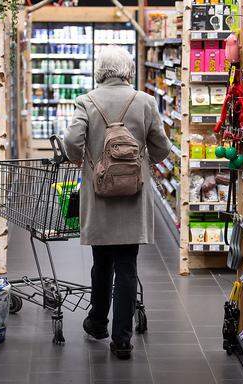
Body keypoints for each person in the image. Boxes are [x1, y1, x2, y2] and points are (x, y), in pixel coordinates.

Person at [63, 45, 171, 360]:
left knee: (102, 263)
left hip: (99, 197)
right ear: (127, 71)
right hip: (133, 198)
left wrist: (82, 157)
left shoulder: (86, 101)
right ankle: (121, 340)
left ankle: (97, 322)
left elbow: (72, 142)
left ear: (100, 72)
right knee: (127, 266)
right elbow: (162, 148)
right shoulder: (146, 102)